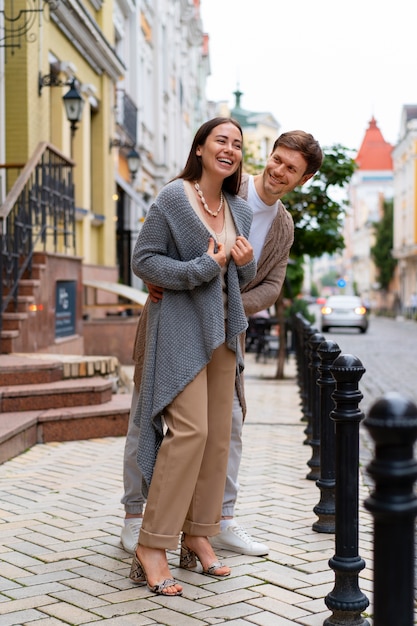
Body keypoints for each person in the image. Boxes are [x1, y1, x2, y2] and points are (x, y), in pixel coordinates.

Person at [121, 129, 323, 559]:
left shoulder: (282, 225)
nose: (279, 171)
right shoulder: (223, 184)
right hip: (174, 321)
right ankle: (137, 517)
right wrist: (166, 281)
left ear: (302, 180)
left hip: (224, 331)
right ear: (267, 156)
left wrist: (224, 305)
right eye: (278, 159)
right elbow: (154, 255)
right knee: (147, 415)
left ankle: (215, 522)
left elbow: (269, 287)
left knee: (224, 428)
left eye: (292, 169)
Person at [128, 117, 256, 596]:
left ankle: (198, 533)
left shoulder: (239, 209)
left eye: (238, 144)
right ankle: (152, 543)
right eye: (221, 140)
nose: (230, 149)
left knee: (218, 436)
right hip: (181, 329)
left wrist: (244, 264)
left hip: (224, 331)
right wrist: (203, 266)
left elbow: (241, 273)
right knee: (190, 432)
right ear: (201, 147)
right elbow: (144, 259)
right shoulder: (173, 198)